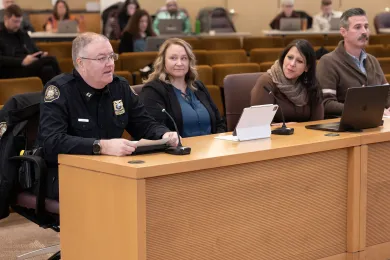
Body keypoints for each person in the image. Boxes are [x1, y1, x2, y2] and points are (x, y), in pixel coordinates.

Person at [37, 32, 179, 200]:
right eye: (101, 58)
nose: (110, 64)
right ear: (80, 63)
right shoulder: (60, 90)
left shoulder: (119, 87)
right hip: (67, 172)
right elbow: (52, 142)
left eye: (112, 57)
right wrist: (100, 146)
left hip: (111, 169)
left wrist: (164, 134)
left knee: (158, 187)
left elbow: (143, 123)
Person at [140, 38, 226, 137]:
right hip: (178, 150)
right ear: (163, 62)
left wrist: (218, 141)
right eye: (173, 58)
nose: (179, 63)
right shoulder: (153, 91)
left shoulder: (198, 87)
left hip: (211, 149)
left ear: (190, 62)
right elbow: (152, 128)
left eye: (184, 58)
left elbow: (219, 122)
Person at [317, 8, 390, 117]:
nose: (364, 32)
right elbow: (326, 104)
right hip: (345, 128)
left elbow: (387, 94)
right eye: (357, 27)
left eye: (366, 26)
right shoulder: (328, 62)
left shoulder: (373, 60)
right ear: (343, 32)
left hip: (376, 123)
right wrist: (367, 110)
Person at [251, 39, 323, 123]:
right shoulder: (266, 82)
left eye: (299, 61)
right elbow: (259, 123)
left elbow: (318, 122)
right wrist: (287, 128)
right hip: (275, 135)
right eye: (290, 57)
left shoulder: (311, 84)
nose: (292, 64)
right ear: (283, 58)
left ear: (307, 67)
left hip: (306, 135)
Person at [0, 5, 61, 84]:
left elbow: (35, 49)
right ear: (6, 19)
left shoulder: (22, 33)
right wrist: (22, 61)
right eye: (15, 21)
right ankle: (65, 86)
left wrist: (40, 54)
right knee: (51, 59)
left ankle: (54, 94)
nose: (18, 25)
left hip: (28, 65)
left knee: (47, 69)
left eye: (19, 22)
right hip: (12, 68)